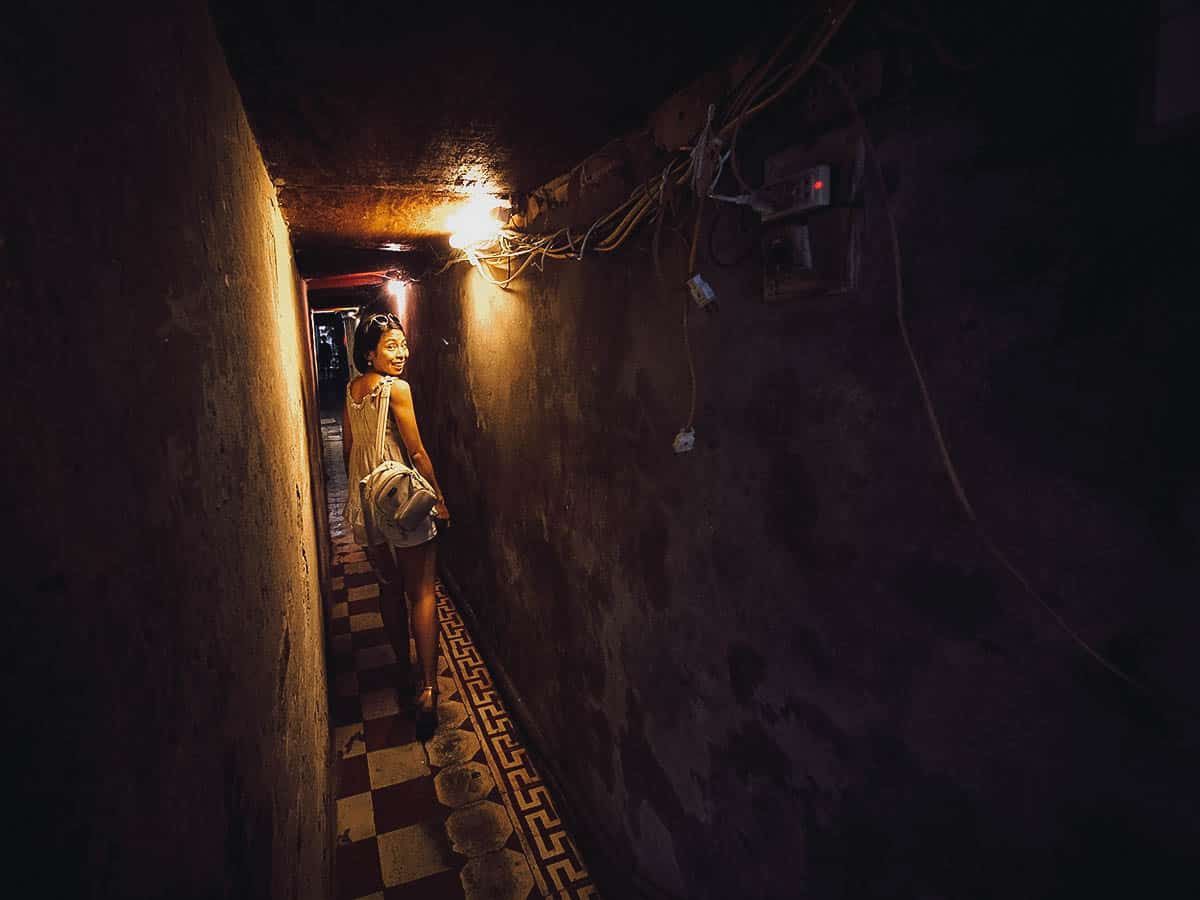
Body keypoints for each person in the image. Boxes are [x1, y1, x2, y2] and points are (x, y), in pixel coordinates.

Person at [342, 311, 451, 735]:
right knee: (422, 591)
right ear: (369, 353)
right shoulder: (397, 389)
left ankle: (403, 668)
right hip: (399, 498)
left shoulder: (351, 391)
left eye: (402, 344)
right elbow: (417, 452)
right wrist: (439, 499)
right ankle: (427, 689)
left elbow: (350, 449)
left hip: (365, 502)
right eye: (391, 346)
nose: (401, 352)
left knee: (387, 587)